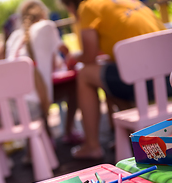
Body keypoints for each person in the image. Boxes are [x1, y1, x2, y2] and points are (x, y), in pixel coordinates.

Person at [61, 0, 166, 159]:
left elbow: (89, 56)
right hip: (167, 77)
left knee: (85, 74)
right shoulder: (127, 1)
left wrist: (75, 57)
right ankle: (133, 134)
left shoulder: (88, 7)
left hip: (147, 82)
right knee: (106, 72)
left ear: (71, 5)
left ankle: (92, 145)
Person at [5, 0, 81, 143]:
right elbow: (66, 54)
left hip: (10, 109)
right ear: (43, 13)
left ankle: (45, 140)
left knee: (37, 88)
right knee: (74, 85)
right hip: (33, 106)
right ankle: (69, 131)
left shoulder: (14, 37)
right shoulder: (46, 27)